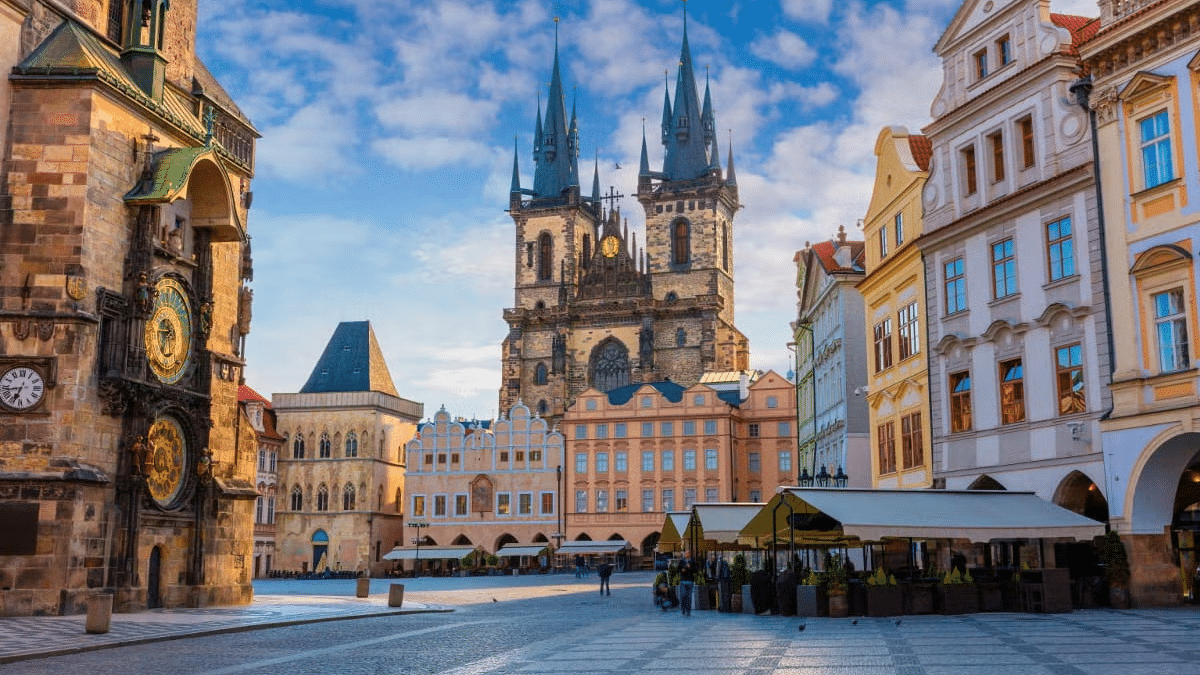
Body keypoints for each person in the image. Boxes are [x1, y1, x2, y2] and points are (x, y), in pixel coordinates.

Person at [678, 550, 697, 617]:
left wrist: (689, 567)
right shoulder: (681, 561)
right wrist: (683, 569)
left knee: (689, 597)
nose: (687, 554)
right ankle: (683, 609)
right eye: (686, 553)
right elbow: (679, 569)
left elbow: (695, 570)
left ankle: (688, 611)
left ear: (690, 554)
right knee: (683, 596)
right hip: (683, 581)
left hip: (690, 581)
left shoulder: (692, 561)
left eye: (688, 553)